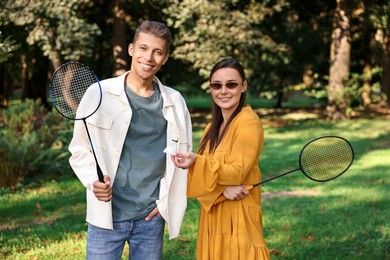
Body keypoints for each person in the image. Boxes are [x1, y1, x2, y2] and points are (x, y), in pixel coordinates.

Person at [69, 20, 192, 260]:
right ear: (131, 49)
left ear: (165, 58)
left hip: (150, 218)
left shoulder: (175, 102)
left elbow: (182, 160)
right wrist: (92, 181)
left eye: (158, 52)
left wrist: (164, 205)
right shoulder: (98, 93)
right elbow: (79, 148)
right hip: (106, 216)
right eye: (144, 48)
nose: (149, 57)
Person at [171, 57, 270, 259]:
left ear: (243, 87)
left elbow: (237, 172)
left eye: (231, 84)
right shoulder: (210, 129)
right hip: (211, 218)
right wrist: (222, 190)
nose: (223, 91)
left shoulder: (248, 121)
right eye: (217, 85)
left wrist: (198, 163)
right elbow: (196, 182)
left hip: (239, 218)